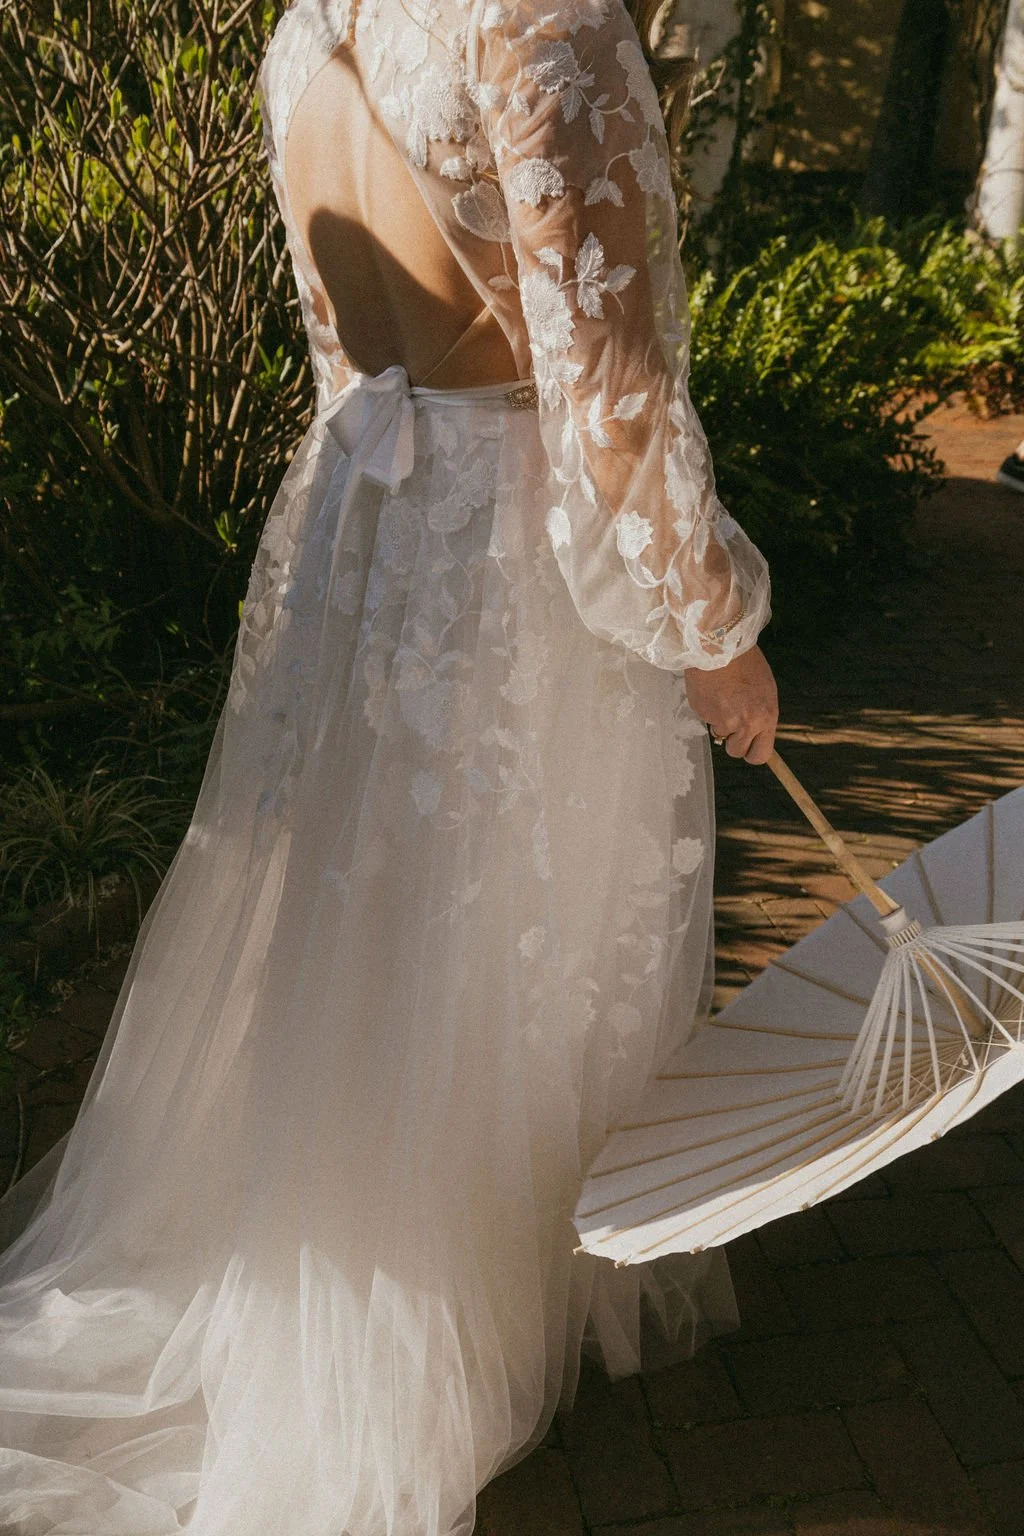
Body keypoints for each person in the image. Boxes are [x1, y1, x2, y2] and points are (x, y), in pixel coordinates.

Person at [0, 0, 776, 1530]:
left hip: (366, 509)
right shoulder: (542, 22)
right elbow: (608, 391)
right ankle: (459, 1313)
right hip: (507, 555)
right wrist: (712, 625)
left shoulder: (314, 26)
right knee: (509, 932)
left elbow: (333, 325)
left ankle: (375, 1268)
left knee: (362, 927)